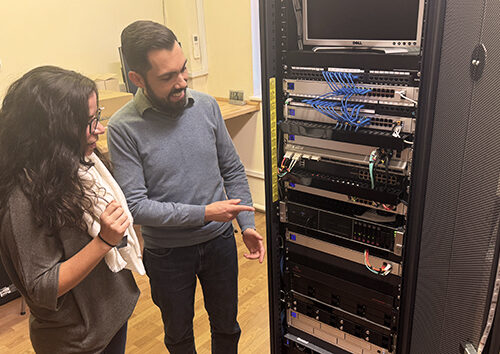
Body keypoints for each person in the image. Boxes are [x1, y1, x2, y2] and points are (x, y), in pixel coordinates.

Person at [107, 20, 266, 353]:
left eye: (184, 70)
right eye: (167, 77)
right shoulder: (123, 127)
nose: (181, 83)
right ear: (137, 78)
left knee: (227, 328)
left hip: (220, 243)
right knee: (178, 337)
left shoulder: (206, 106)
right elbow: (135, 206)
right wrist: (205, 212)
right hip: (167, 254)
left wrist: (247, 224)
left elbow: (233, 168)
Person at [0, 66, 144, 354]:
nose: (100, 129)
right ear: (54, 130)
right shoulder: (22, 196)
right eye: (90, 122)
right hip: (77, 342)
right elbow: (42, 288)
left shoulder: (77, 165)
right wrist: (104, 241)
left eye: (97, 117)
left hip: (110, 318)